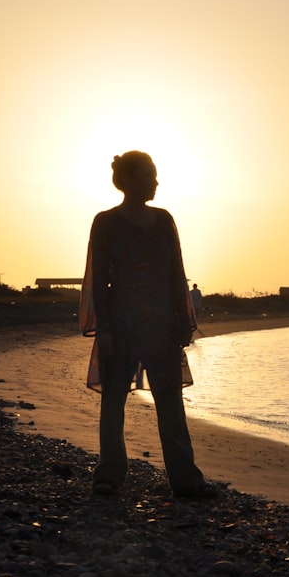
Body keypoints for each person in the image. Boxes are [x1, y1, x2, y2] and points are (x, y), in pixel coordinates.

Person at [79, 151, 213, 499]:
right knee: (113, 402)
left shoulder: (164, 220)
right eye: (149, 174)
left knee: (170, 402)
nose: (156, 181)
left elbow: (176, 273)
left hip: (161, 325)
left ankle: (185, 481)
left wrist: (184, 320)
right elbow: (98, 282)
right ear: (130, 180)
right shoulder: (105, 222)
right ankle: (108, 475)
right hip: (121, 323)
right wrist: (103, 329)